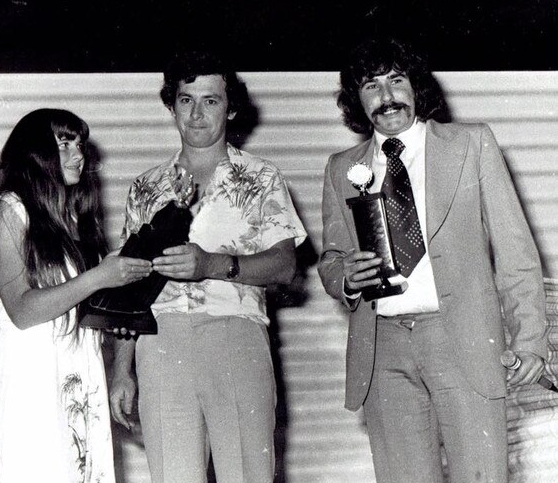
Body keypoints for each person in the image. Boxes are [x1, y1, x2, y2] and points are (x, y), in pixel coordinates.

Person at [318, 38, 548, 483]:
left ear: (417, 86)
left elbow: (516, 253)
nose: (387, 97)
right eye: (371, 86)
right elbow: (331, 258)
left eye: (397, 80)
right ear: (356, 100)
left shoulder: (471, 143)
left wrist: (531, 341)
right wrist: (342, 275)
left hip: (461, 339)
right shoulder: (340, 168)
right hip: (382, 349)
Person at [108, 51, 307, 483]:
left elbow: (284, 266)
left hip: (234, 333)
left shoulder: (261, 176)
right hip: (159, 344)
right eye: (186, 100)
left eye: (211, 101)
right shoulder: (145, 186)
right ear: (172, 104)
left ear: (231, 107)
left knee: (247, 473)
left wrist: (210, 264)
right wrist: (121, 369)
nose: (197, 114)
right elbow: (128, 285)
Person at [0, 108, 152, 483]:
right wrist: (99, 278)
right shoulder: (6, 211)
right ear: (35, 152)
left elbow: (85, 306)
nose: (78, 155)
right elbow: (21, 308)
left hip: (77, 372)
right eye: (64, 144)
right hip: (30, 374)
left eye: (80, 144)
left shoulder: (72, 220)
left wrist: (125, 281)